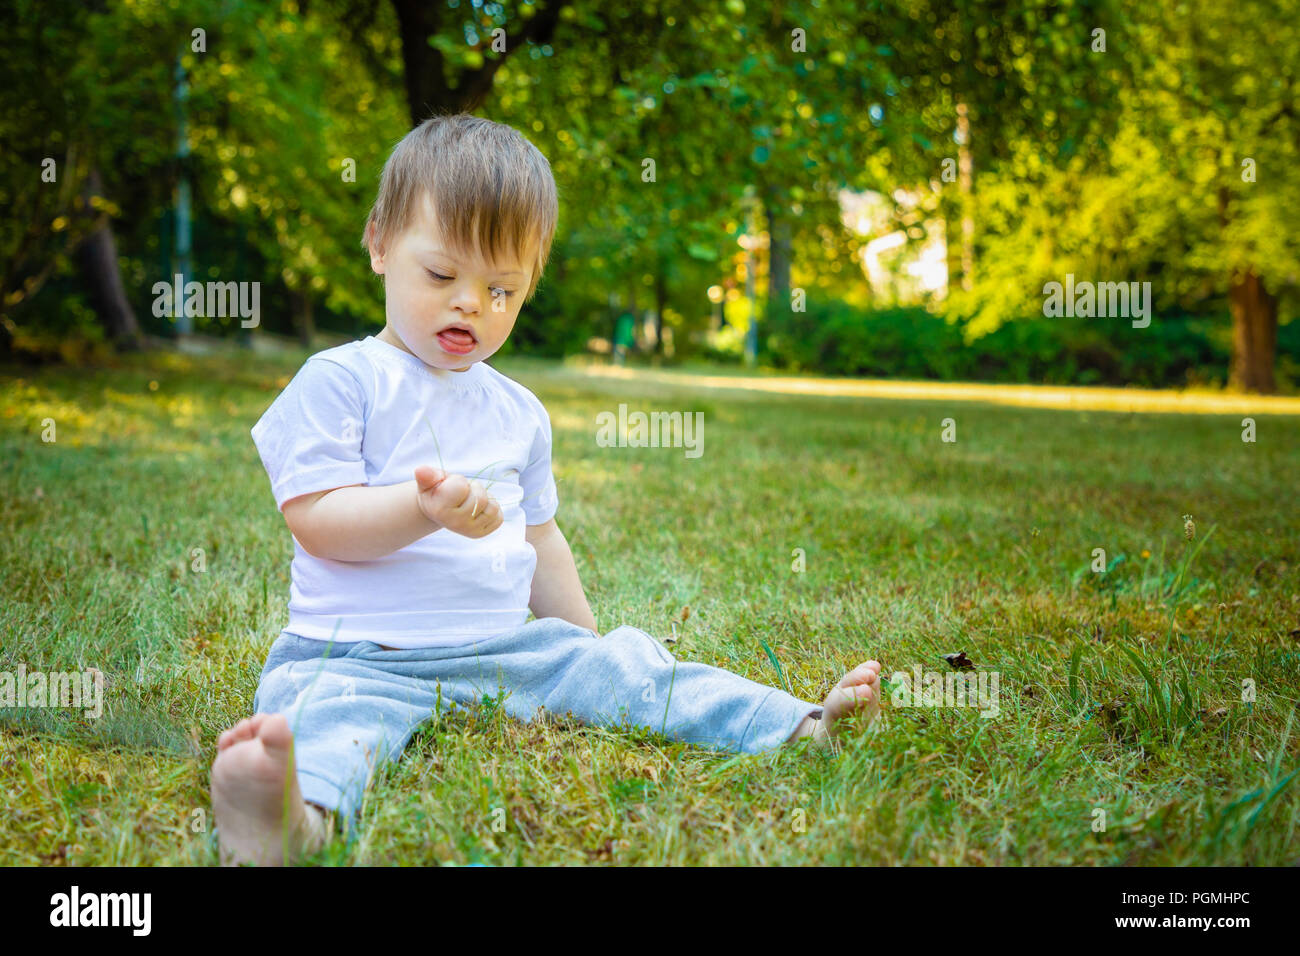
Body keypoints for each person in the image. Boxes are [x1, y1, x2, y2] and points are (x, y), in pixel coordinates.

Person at [210, 113, 882, 866]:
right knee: (329, 724)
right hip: (355, 657)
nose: (470, 303)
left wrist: (584, 648)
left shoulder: (519, 412)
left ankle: (798, 722)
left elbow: (540, 539)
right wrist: (419, 509)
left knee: (632, 666)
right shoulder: (343, 380)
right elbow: (318, 520)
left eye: (501, 289)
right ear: (379, 244)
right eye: (442, 276)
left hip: (502, 652)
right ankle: (290, 821)